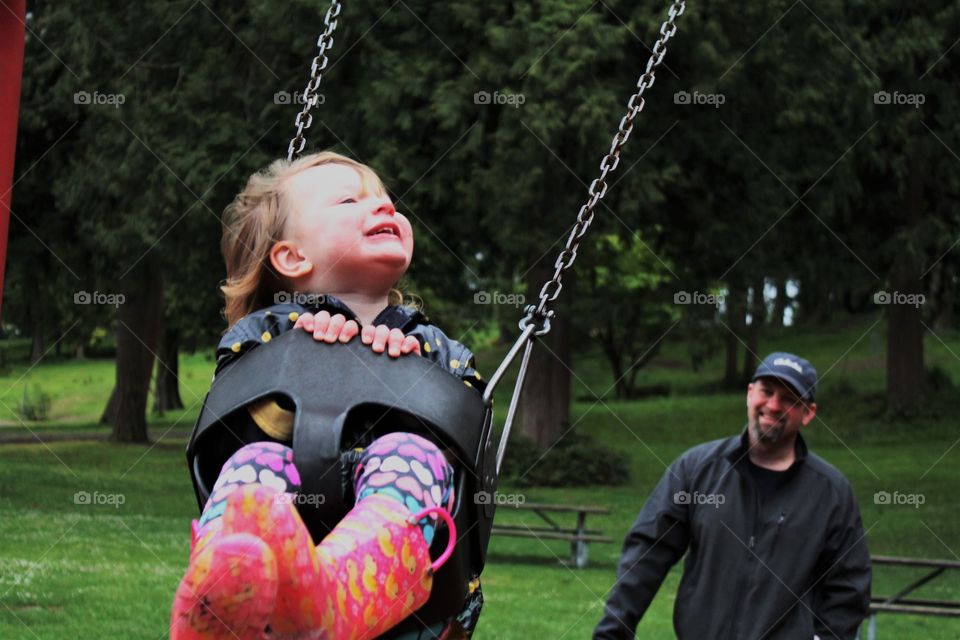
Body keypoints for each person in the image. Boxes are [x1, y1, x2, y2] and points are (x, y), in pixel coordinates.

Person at [170, 151, 484, 640]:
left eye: (386, 199)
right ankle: (224, 597)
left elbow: (465, 448)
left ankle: (337, 596)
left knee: (413, 454)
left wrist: (408, 373)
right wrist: (306, 362)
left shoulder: (435, 349)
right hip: (289, 521)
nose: (384, 207)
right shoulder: (265, 335)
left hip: (411, 601)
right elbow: (231, 434)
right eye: (350, 201)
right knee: (254, 473)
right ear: (293, 257)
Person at [595, 352, 871, 639]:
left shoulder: (831, 493)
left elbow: (849, 588)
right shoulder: (697, 470)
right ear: (750, 394)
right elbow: (646, 556)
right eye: (767, 391)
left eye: (789, 399)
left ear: (808, 412)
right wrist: (611, 633)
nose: (773, 405)